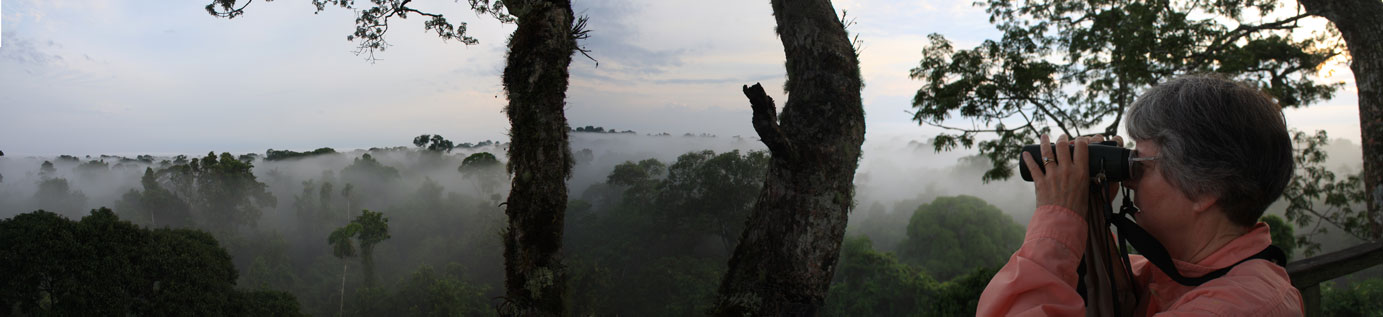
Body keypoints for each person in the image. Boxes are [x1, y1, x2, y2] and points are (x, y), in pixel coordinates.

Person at [977, 75, 1303, 316]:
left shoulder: (1238, 308)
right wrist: (1091, 204)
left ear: (1205, 189)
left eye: (1141, 164)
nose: (1130, 182)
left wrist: (1056, 219)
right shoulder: (1178, 273)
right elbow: (1119, 294)